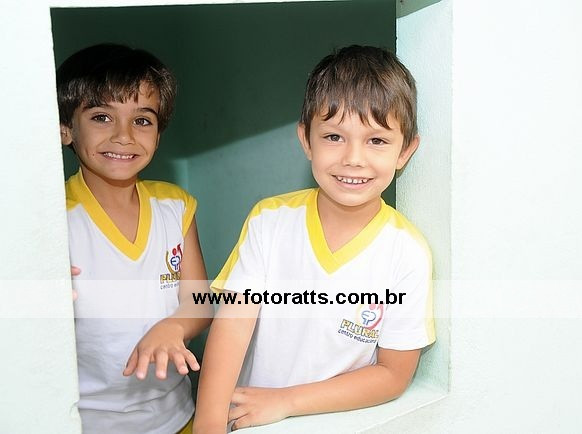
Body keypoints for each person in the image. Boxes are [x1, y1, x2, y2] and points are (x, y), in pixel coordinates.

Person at [193, 45, 435, 433]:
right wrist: (208, 421)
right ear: (306, 140)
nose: (353, 158)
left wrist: (287, 401)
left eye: (376, 141)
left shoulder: (406, 252)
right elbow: (233, 324)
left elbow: (393, 374)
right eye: (334, 136)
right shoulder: (270, 220)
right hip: (249, 424)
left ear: (405, 151)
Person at [57, 43, 212, 434]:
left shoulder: (176, 206)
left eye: (142, 120)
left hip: (178, 417)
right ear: (65, 129)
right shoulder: (53, 219)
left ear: (158, 133)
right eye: (102, 117)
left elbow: (199, 303)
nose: (123, 136)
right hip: (87, 424)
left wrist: (175, 327)